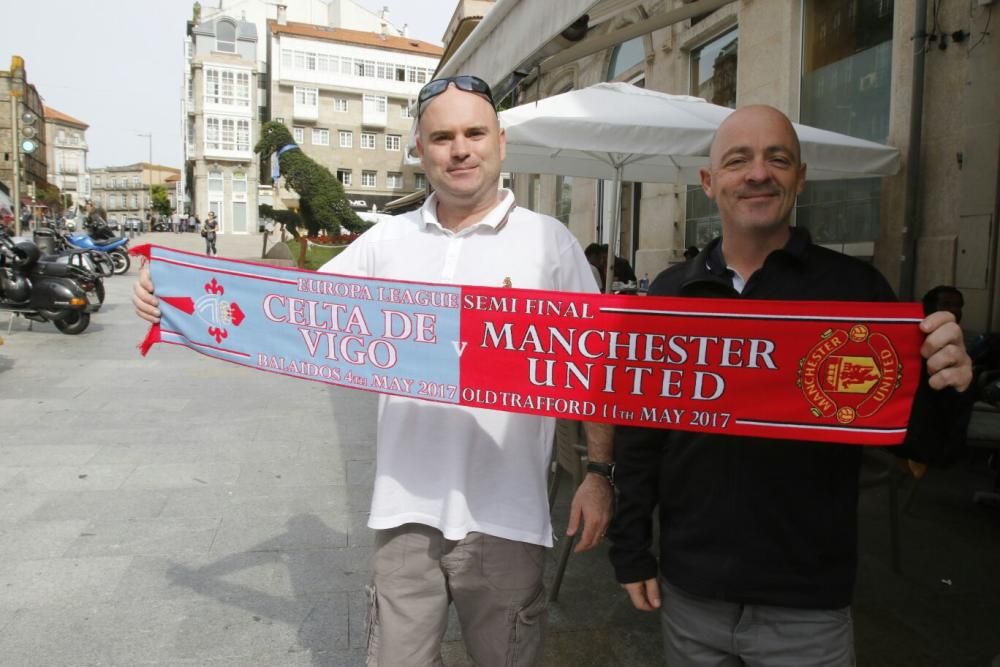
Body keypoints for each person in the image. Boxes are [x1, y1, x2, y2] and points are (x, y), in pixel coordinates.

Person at [133, 74, 614, 666]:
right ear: (420, 148)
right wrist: (179, 295)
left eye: (474, 133)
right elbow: (295, 313)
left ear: (500, 142)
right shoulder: (389, 239)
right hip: (405, 510)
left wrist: (597, 471)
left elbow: (599, 366)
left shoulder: (551, 244)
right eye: (443, 137)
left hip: (505, 513)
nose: (460, 148)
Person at [608, 105, 972, 665]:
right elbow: (641, 438)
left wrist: (949, 383)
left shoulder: (857, 291)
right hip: (691, 595)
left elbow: (928, 447)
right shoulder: (669, 294)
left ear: (800, 177)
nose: (758, 173)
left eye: (778, 159)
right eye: (738, 160)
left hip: (808, 607)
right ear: (709, 182)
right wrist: (630, 550)